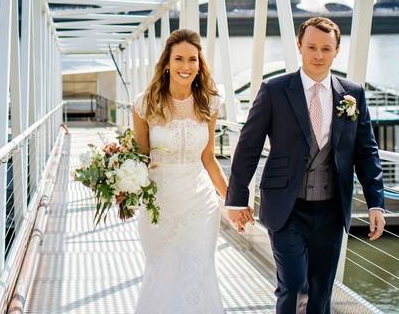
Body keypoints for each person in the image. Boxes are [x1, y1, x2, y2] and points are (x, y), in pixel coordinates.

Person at [225, 17, 385, 314]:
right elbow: (249, 146)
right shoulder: (274, 90)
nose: (318, 55)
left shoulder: (353, 94)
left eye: (326, 48)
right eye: (311, 47)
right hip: (287, 208)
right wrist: (236, 199)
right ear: (299, 46)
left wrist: (376, 203)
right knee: (295, 286)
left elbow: (366, 151)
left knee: (321, 293)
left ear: (337, 50)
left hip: (332, 210)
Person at [131, 29, 228, 314]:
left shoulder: (209, 103)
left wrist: (232, 199)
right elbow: (140, 157)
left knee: (199, 272)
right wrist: (122, 187)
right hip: (159, 205)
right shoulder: (144, 104)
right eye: (179, 59)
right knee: (161, 271)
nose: (186, 66)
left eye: (192, 60)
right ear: (167, 64)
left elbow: (209, 158)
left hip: (200, 204)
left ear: (200, 65)